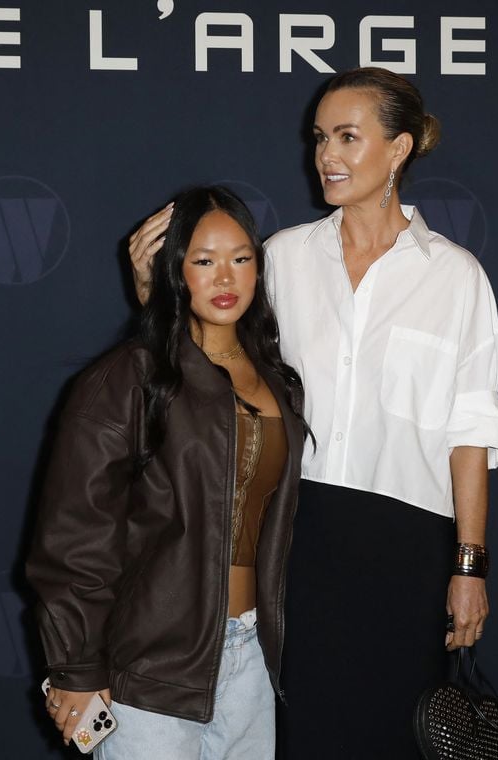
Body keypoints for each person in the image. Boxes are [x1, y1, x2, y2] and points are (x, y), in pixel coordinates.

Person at [128, 69, 498, 758]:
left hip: (406, 550)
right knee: (299, 734)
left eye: (346, 137)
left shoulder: (456, 277)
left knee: (386, 735)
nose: (326, 156)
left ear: (398, 150)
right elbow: (207, 373)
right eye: (319, 138)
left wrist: (469, 566)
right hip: (292, 540)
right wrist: (148, 295)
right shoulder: (282, 259)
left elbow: (470, 435)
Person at [26, 185, 307, 760]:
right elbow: (75, 536)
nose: (224, 277)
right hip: (147, 668)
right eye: (203, 261)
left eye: (240, 258)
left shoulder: (281, 381)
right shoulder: (131, 378)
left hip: (254, 661)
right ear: (175, 270)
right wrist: (77, 667)